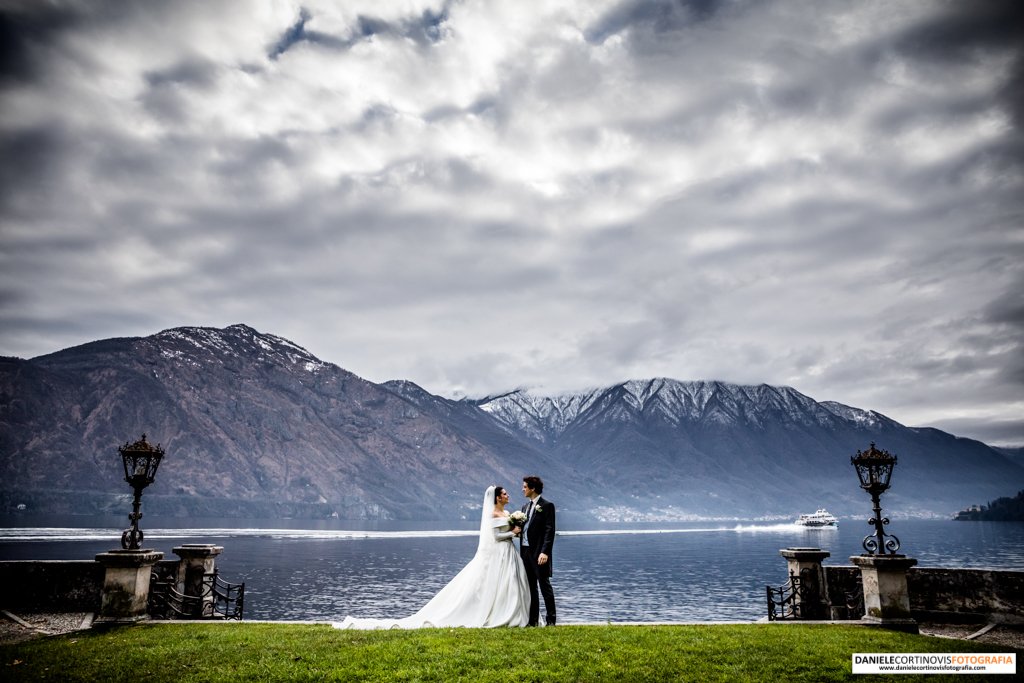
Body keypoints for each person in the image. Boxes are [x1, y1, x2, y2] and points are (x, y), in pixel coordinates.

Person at [333, 485, 530, 629]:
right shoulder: (495, 515)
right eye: (504, 494)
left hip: (507, 553)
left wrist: (515, 530)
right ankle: (497, 613)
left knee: (508, 584)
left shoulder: (505, 512)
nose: (508, 495)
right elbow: (496, 536)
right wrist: (513, 532)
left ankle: (510, 612)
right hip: (499, 553)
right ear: (497, 498)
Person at [520, 475, 556, 626]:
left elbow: (550, 531)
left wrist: (545, 552)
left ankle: (551, 621)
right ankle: (533, 621)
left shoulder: (547, 506)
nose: (523, 489)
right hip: (525, 553)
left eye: (525, 487)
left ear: (532, 488)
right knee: (531, 588)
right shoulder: (524, 508)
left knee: (544, 586)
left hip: (539, 553)